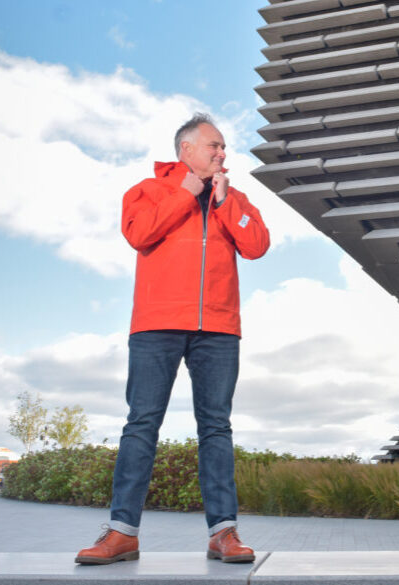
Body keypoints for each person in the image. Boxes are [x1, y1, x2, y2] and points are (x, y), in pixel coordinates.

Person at [76, 113, 270, 566]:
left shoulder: (235, 198)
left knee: (216, 429)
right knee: (141, 424)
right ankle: (122, 533)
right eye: (214, 146)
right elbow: (140, 233)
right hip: (156, 325)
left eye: (224, 147)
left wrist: (223, 203)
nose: (223, 153)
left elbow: (257, 245)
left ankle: (223, 533)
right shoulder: (147, 191)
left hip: (219, 329)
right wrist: (188, 193)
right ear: (186, 149)